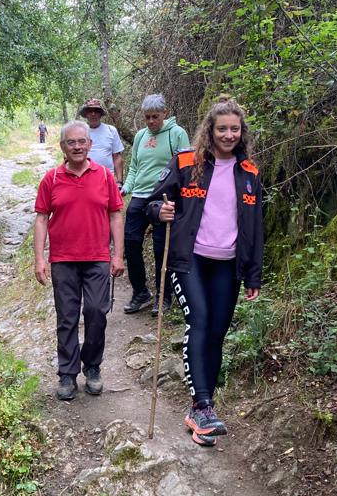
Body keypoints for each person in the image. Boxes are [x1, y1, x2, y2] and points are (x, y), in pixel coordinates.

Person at [146, 95, 263, 447]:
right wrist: (160, 212)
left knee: (217, 333)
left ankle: (202, 413)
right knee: (199, 320)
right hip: (189, 259)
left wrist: (253, 275)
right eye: (222, 129)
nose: (228, 135)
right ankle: (203, 404)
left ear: (242, 133)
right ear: (209, 130)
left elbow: (256, 228)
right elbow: (152, 203)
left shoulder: (250, 174)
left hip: (228, 265)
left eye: (234, 129)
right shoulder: (186, 162)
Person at [34, 121, 126, 400]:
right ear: (63, 146)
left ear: (90, 145)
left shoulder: (105, 176)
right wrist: (40, 258)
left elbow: (115, 215)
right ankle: (67, 374)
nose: (77, 146)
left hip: (97, 257)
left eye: (82, 142)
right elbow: (41, 219)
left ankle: (93, 367)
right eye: (71, 142)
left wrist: (118, 254)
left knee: (97, 312)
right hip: (62, 260)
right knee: (67, 317)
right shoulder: (51, 179)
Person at [120, 94, 190, 316]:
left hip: (164, 198)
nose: (151, 121)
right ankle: (140, 292)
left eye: (155, 117)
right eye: (147, 117)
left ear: (164, 114)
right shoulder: (141, 135)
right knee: (130, 243)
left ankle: (164, 296)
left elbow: (186, 167)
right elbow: (134, 167)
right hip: (139, 196)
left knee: (162, 248)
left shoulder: (177, 134)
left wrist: (183, 199)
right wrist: (125, 188)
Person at [78, 98, 124, 183]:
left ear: (101, 114)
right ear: (86, 114)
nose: (93, 114)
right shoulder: (79, 132)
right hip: (84, 179)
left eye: (96, 111)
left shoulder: (111, 130)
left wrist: (119, 181)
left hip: (107, 179)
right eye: (90, 111)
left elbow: (117, 157)